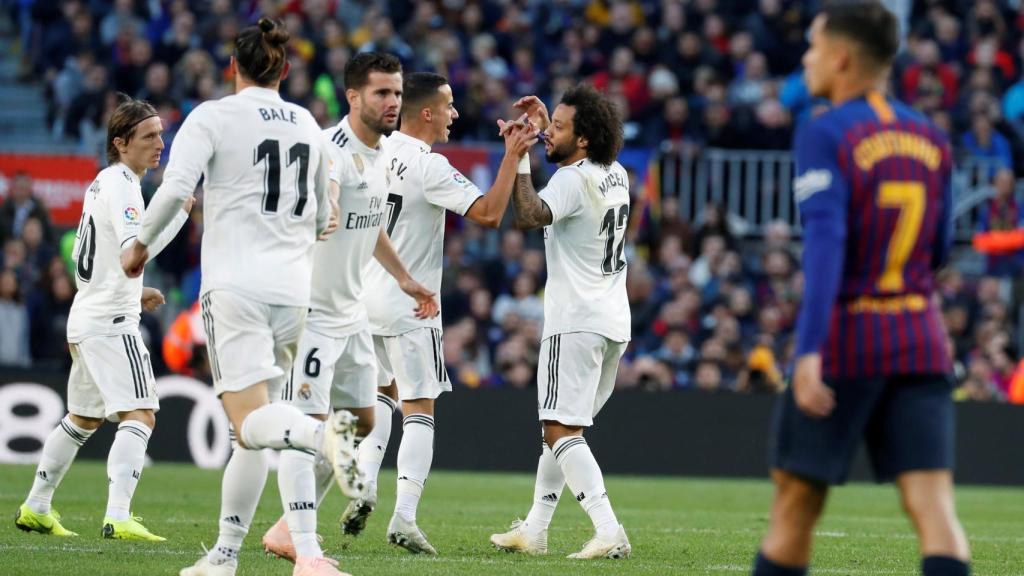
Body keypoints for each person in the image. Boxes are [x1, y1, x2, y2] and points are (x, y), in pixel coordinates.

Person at [120, 18, 349, 576]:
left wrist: (139, 247)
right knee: (252, 435)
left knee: (250, 423)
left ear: (232, 67)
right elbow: (325, 218)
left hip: (236, 289)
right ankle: (236, 555)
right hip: (294, 292)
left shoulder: (213, 116)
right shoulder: (307, 123)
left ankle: (324, 436)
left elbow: (176, 190)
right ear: (285, 70)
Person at [750, 3, 970, 576]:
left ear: (842, 58)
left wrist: (808, 351)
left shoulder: (824, 131)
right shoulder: (931, 137)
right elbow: (940, 250)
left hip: (848, 340)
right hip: (921, 337)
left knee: (794, 509)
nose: (806, 59)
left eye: (814, 46)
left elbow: (826, 248)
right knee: (935, 511)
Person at [259, 53, 440, 562]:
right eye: (382, 93)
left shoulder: (382, 153)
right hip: (312, 315)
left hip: (352, 313)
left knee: (361, 421)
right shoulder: (329, 149)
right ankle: (305, 549)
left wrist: (404, 278)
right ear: (353, 97)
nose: (393, 102)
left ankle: (286, 528)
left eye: (397, 93)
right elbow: (331, 193)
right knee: (309, 426)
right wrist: (329, 206)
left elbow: (371, 220)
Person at [342, 71, 523, 553]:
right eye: (449, 105)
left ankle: (365, 485)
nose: (454, 114)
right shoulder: (428, 165)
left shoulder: (373, 152)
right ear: (427, 112)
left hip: (363, 299)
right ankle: (404, 516)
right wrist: (511, 156)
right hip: (410, 305)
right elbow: (489, 213)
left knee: (380, 395)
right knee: (419, 408)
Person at [14, 95, 191, 542]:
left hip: (88, 314)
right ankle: (118, 515)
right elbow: (134, 254)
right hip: (111, 322)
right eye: (148, 136)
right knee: (142, 414)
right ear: (120, 142)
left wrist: (135, 289)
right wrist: (178, 218)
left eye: (160, 135)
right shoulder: (125, 186)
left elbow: (94, 259)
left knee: (82, 419)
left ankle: (36, 506)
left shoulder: (101, 183)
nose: (160, 144)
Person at [488, 84, 632, 559]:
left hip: (575, 320)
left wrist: (520, 156)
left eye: (559, 128)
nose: (548, 133)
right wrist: (550, 127)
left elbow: (529, 215)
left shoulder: (571, 181)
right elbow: (573, 173)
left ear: (584, 138)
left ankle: (607, 529)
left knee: (558, 429)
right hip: (612, 321)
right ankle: (535, 529)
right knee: (563, 430)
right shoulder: (615, 172)